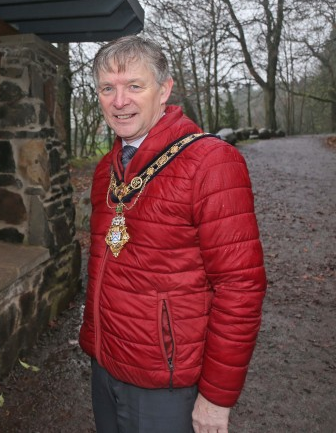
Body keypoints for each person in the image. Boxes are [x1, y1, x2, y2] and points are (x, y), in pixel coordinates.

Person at [78, 35, 266, 433]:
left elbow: (240, 286)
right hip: (105, 366)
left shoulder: (210, 163)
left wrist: (216, 398)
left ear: (164, 90)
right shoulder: (105, 172)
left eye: (134, 86)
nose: (119, 100)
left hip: (165, 385)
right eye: (107, 88)